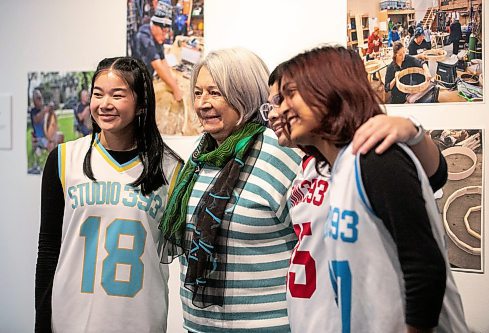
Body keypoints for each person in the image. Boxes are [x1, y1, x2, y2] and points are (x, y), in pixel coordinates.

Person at [278, 45, 469, 333]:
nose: (280, 109)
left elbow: (424, 268)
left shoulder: (373, 157)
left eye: (290, 94)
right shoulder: (339, 167)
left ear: (327, 89)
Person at [35, 56, 184, 333]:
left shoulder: (171, 169)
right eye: (98, 94)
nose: (104, 104)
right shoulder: (64, 158)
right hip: (71, 320)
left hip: (141, 321)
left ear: (141, 104)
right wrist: (42, 321)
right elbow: (48, 248)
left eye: (117, 95)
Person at [159, 47, 302, 332]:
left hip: (267, 326)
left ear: (244, 94)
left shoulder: (280, 154)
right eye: (198, 93)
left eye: (215, 92)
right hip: (199, 326)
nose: (203, 103)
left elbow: (315, 247)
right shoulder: (199, 160)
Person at [134, 0, 183, 102]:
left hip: (148, 78)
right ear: (155, 26)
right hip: (136, 83)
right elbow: (157, 65)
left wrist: (172, 79)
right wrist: (175, 88)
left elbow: (163, 61)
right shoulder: (143, 35)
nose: (165, 36)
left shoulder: (158, 38)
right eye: (163, 31)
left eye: (167, 32)